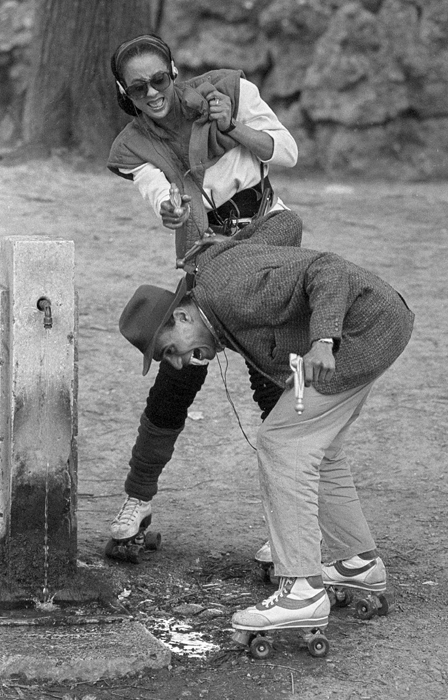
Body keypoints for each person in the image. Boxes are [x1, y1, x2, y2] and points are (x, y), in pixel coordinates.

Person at [118, 219, 414, 633]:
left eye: (170, 351)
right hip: (378, 322)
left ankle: (302, 592)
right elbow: (286, 226)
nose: (179, 364)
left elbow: (327, 269)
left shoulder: (230, 294)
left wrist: (322, 340)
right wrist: (239, 244)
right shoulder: (219, 284)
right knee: (321, 449)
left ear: (182, 317)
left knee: (281, 443)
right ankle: (357, 562)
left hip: (362, 332)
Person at [106, 33, 300, 542]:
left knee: (271, 377)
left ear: (173, 71)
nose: (152, 93)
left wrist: (231, 126)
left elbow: (286, 153)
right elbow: (156, 190)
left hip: (267, 246)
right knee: (177, 371)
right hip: (208, 259)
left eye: (159, 79)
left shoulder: (229, 92)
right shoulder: (134, 144)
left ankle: (292, 528)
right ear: (125, 93)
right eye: (138, 88)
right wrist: (169, 209)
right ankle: (137, 499)